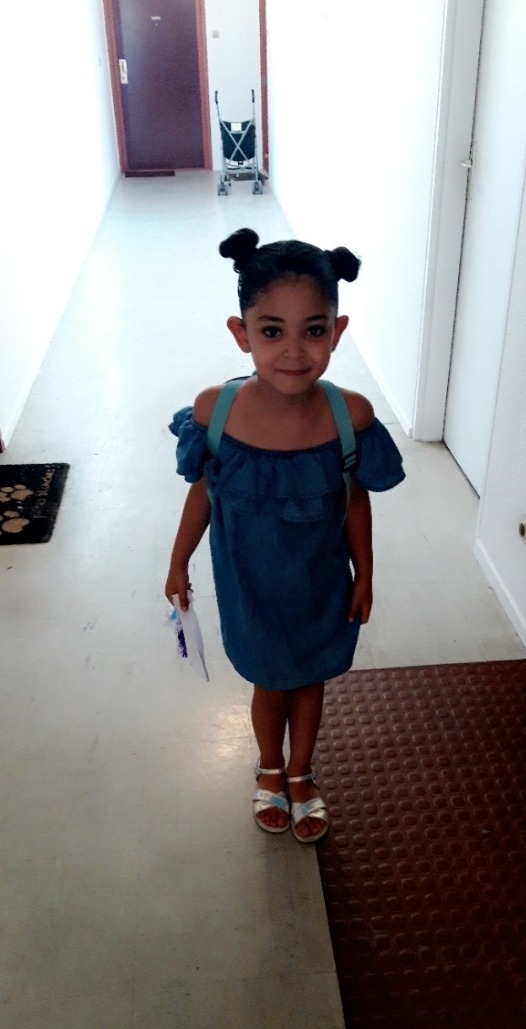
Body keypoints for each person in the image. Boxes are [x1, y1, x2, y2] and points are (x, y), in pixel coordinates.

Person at [165, 227, 405, 843]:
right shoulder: (215, 413)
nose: (295, 352)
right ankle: (269, 767)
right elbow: (204, 492)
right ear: (241, 332)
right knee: (271, 682)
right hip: (250, 584)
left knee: (310, 679)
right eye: (272, 331)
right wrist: (178, 562)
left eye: (314, 330)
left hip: (319, 583)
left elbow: (355, 498)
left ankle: (302, 771)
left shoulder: (349, 418)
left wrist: (365, 574)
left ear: (337, 331)